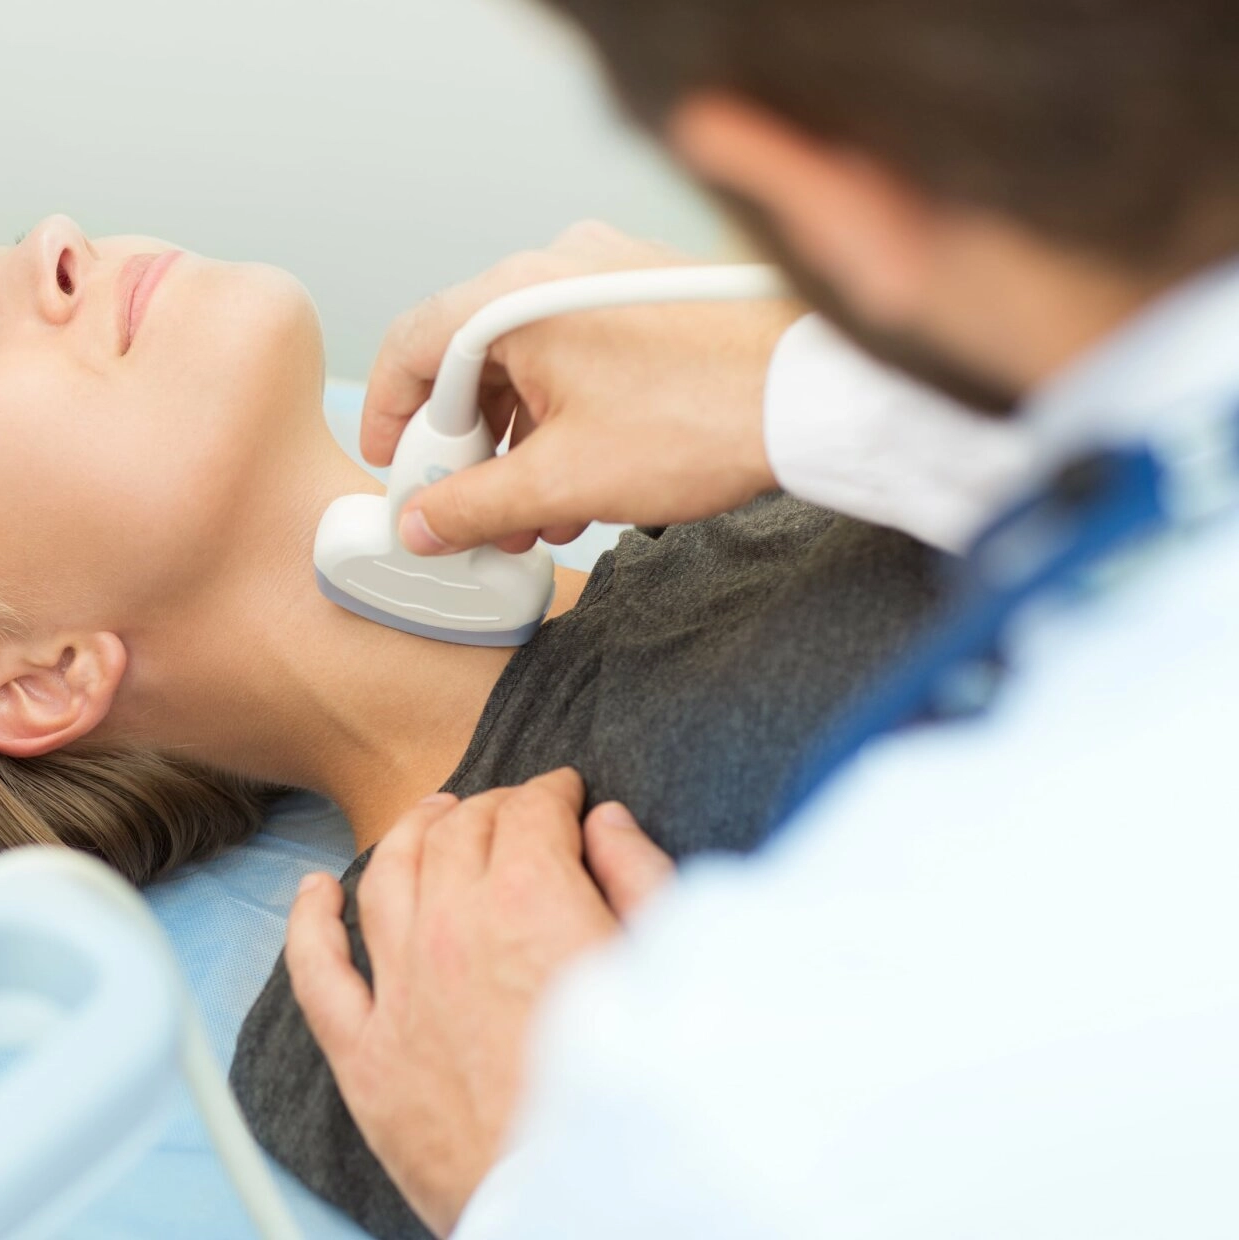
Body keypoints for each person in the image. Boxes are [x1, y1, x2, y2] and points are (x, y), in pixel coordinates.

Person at [280, 0, 1239, 1236]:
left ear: (808, 187)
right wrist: (803, 383)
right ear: (53, 680)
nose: (59, 241)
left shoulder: (769, 1104)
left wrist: (542, 1177)